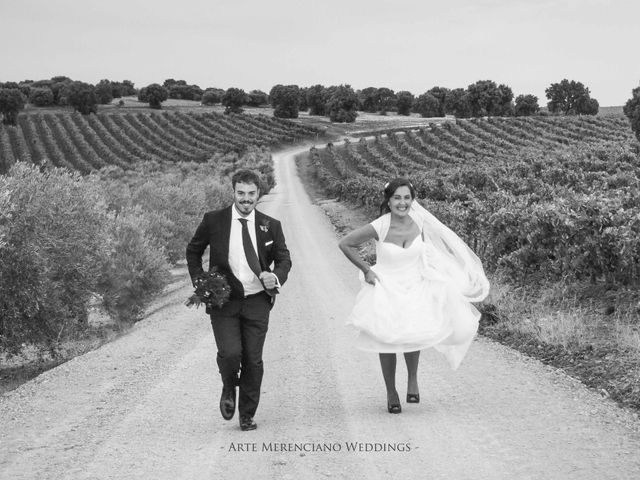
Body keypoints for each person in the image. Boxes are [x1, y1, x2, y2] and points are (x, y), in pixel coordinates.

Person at [339, 178, 489, 414]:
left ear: (412, 200)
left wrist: (439, 275)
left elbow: (430, 251)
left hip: (415, 283)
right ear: (388, 201)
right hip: (387, 286)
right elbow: (346, 243)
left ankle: (412, 379)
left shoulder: (419, 221)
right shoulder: (380, 225)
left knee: (413, 332)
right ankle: (391, 392)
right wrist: (366, 270)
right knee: (386, 339)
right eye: (397, 198)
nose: (402, 203)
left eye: (407, 198)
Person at [186, 169, 292, 431]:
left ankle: (247, 414)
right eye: (241, 193)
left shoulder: (271, 225)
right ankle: (228, 384)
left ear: (258, 195)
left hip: (257, 301)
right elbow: (193, 251)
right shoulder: (214, 221)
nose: (246, 199)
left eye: (251, 194)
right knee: (231, 353)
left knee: (253, 360)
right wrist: (201, 283)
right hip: (224, 300)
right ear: (233, 192)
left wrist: (275, 277)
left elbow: (284, 258)